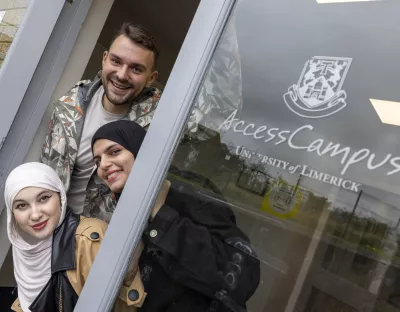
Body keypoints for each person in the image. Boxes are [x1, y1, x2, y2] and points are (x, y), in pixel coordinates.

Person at [90, 120, 260, 311]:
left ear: (140, 150)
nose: (103, 164)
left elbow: (242, 277)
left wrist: (161, 214)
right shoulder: (117, 210)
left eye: (114, 152)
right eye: (97, 161)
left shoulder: (187, 190)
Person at [41, 22, 161, 216]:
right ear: (104, 59)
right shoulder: (70, 105)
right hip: (54, 227)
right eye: (116, 61)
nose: (122, 75)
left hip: (106, 239)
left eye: (136, 69)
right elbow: (46, 170)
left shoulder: (161, 121)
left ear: (150, 78)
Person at [5, 162, 145, 312]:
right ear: (12, 215)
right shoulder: (24, 251)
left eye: (44, 198)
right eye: (21, 206)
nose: (35, 214)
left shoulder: (88, 239)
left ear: (60, 197)